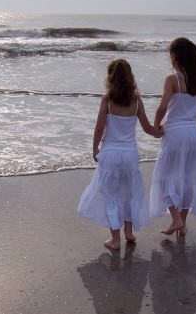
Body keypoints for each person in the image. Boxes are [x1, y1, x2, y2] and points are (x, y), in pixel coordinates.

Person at [78, 59, 163, 250]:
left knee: (111, 195)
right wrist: (161, 132)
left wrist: (94, 148)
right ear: (130, 77)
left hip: (111, 153)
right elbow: (148, 128)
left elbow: (100, 127)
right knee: (129, 193)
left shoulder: (107, 100)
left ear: (110, 78)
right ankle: (129, 232)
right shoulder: (136, 100)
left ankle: (115, 240)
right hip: (130, 154)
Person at [150, 37, 196, 236]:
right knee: (188, 178)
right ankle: (183, 224)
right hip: (194, 134)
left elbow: (162, 107)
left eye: (170, 55)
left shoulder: (173, 80)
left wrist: (155, 127)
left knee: (164, 176)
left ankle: (176, 220)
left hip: (175, 133)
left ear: (175, 56)